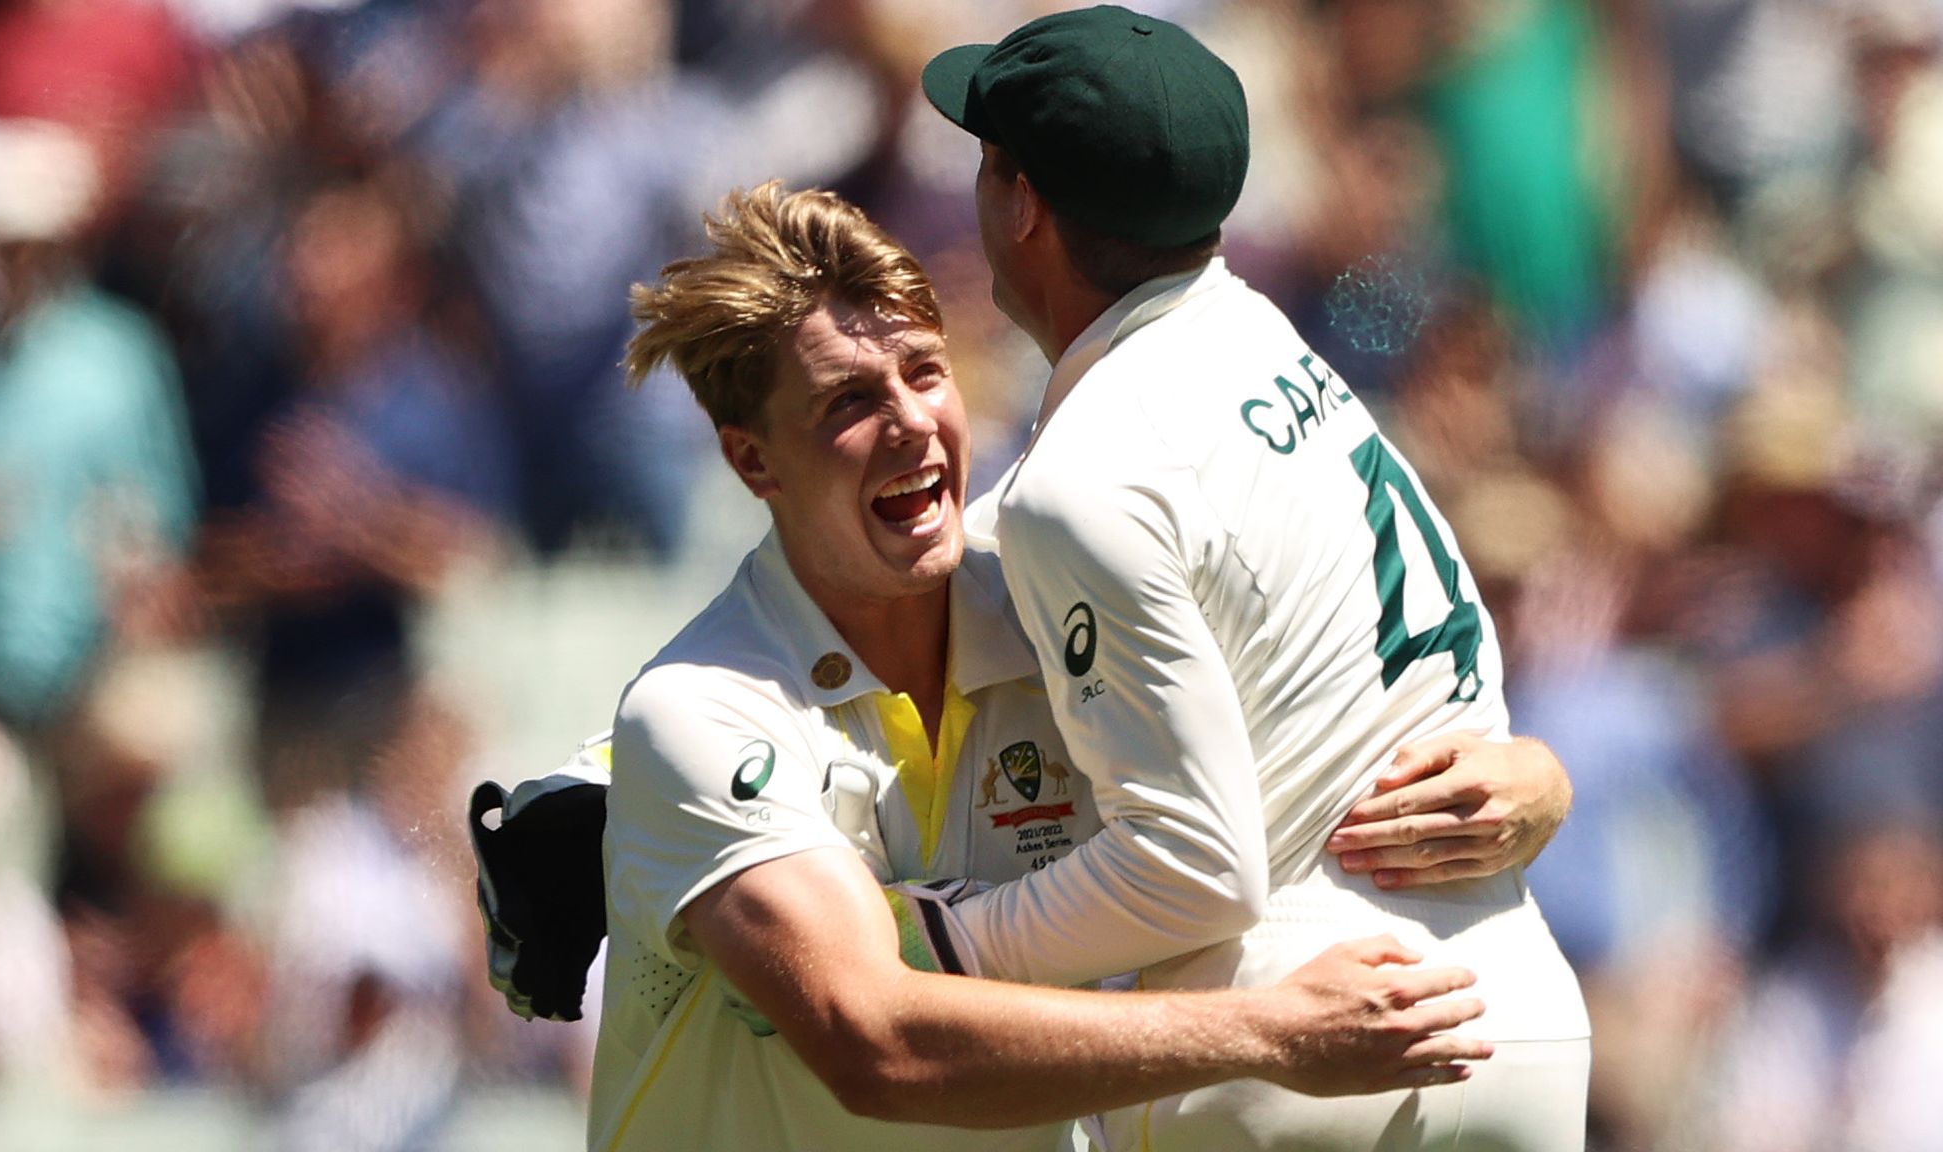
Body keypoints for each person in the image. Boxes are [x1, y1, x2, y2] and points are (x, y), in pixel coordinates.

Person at [581, 181, 1571, 1152]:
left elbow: (1333, 662)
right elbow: (873, 1042)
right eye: (848, 400)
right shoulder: (699, 712)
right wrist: (1266, 1035)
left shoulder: (1051, 588)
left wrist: (1532, 780)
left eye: (924, 372)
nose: (910, 423)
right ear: (753, 463)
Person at [912, 7, 1590, 1150]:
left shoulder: (1084, 476)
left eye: (989, 167)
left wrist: (932, 948)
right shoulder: (1280, 349)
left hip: (1294, 1035)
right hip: (1513, 1008)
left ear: (1021, 204)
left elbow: (1190, 869)